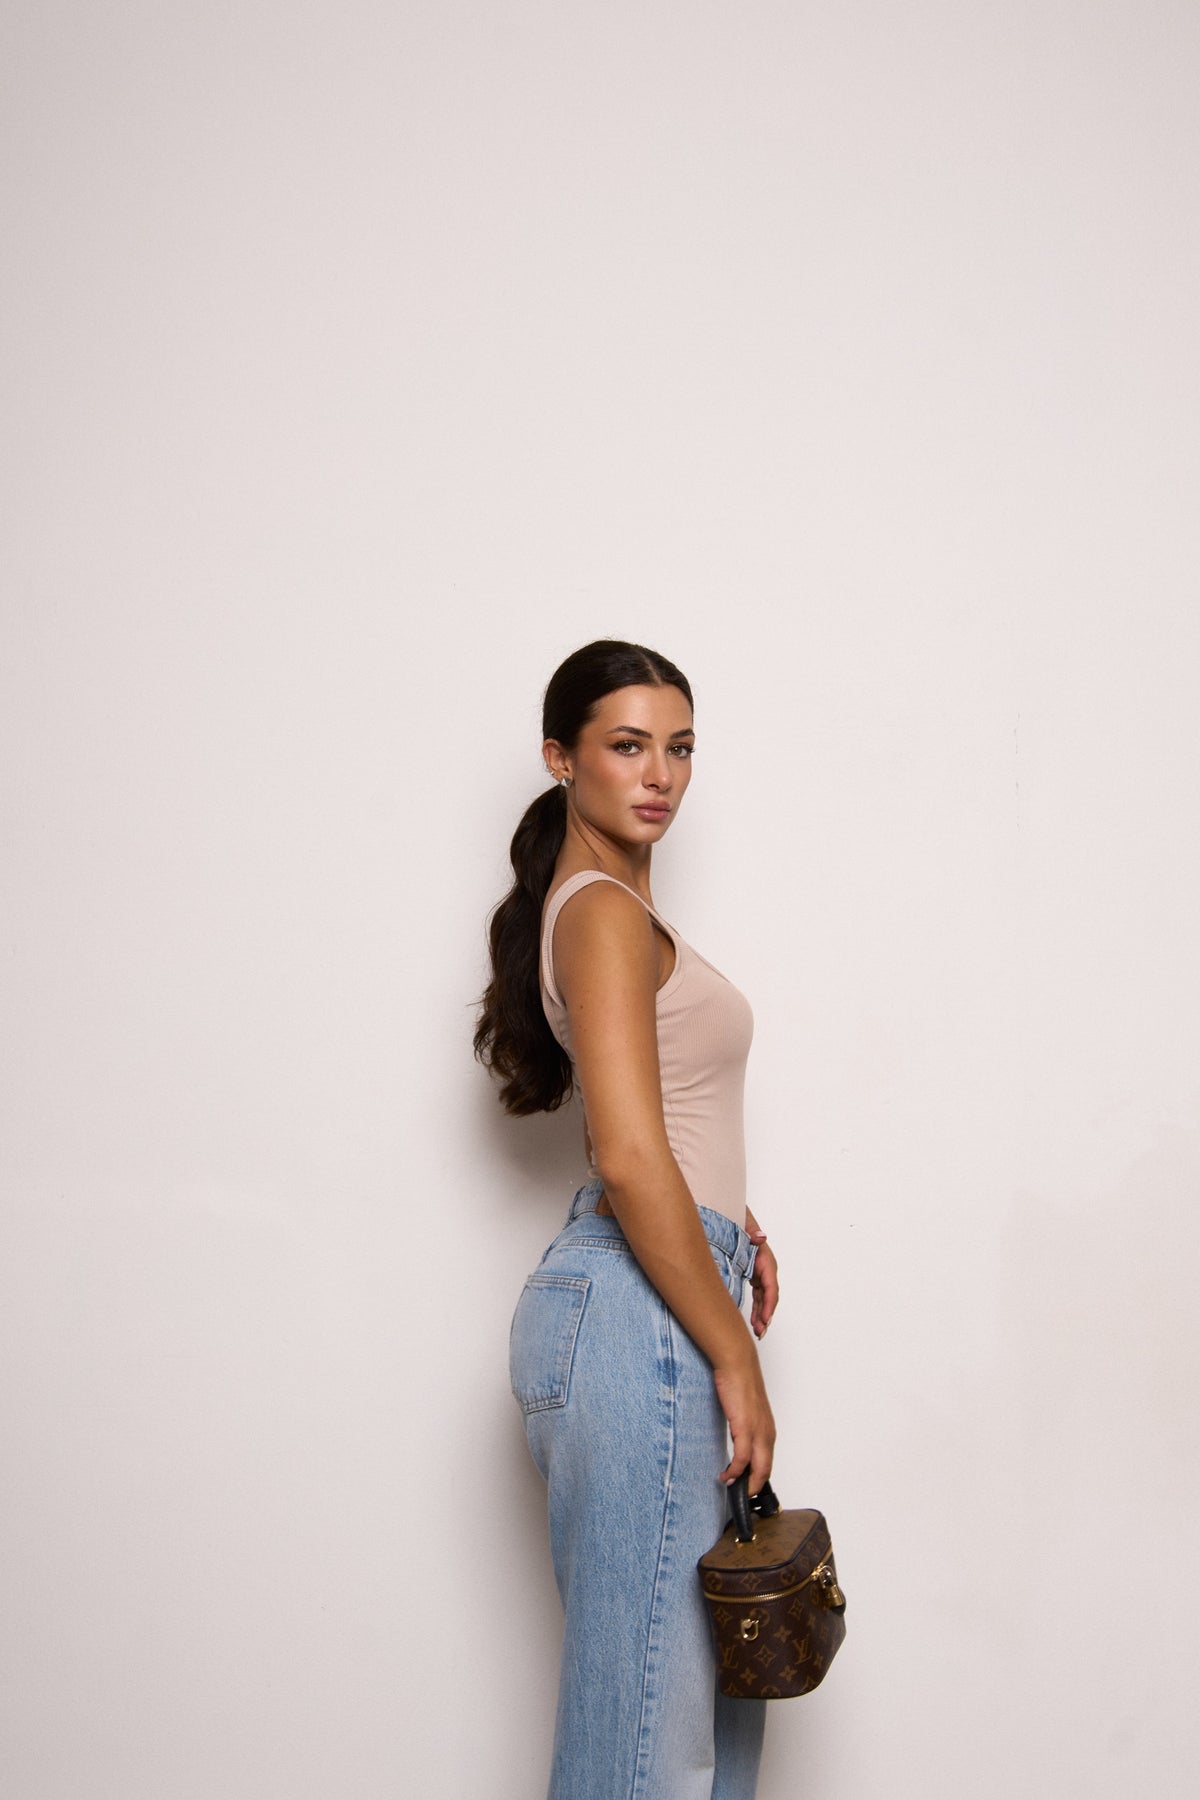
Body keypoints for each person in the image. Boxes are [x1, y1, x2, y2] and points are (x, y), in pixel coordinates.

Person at [475, 639, 779, 1800]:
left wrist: (734, 1217)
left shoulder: (611, 909)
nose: (660, 775)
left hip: (655, 1289)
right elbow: (629, 1153)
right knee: (647, 1733)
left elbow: (652, 1121)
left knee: (700, 1714)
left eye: (680, 748)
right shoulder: (600, 910)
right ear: (562, 758)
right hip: (639, 1314)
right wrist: (736, 1354)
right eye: (627, 745)